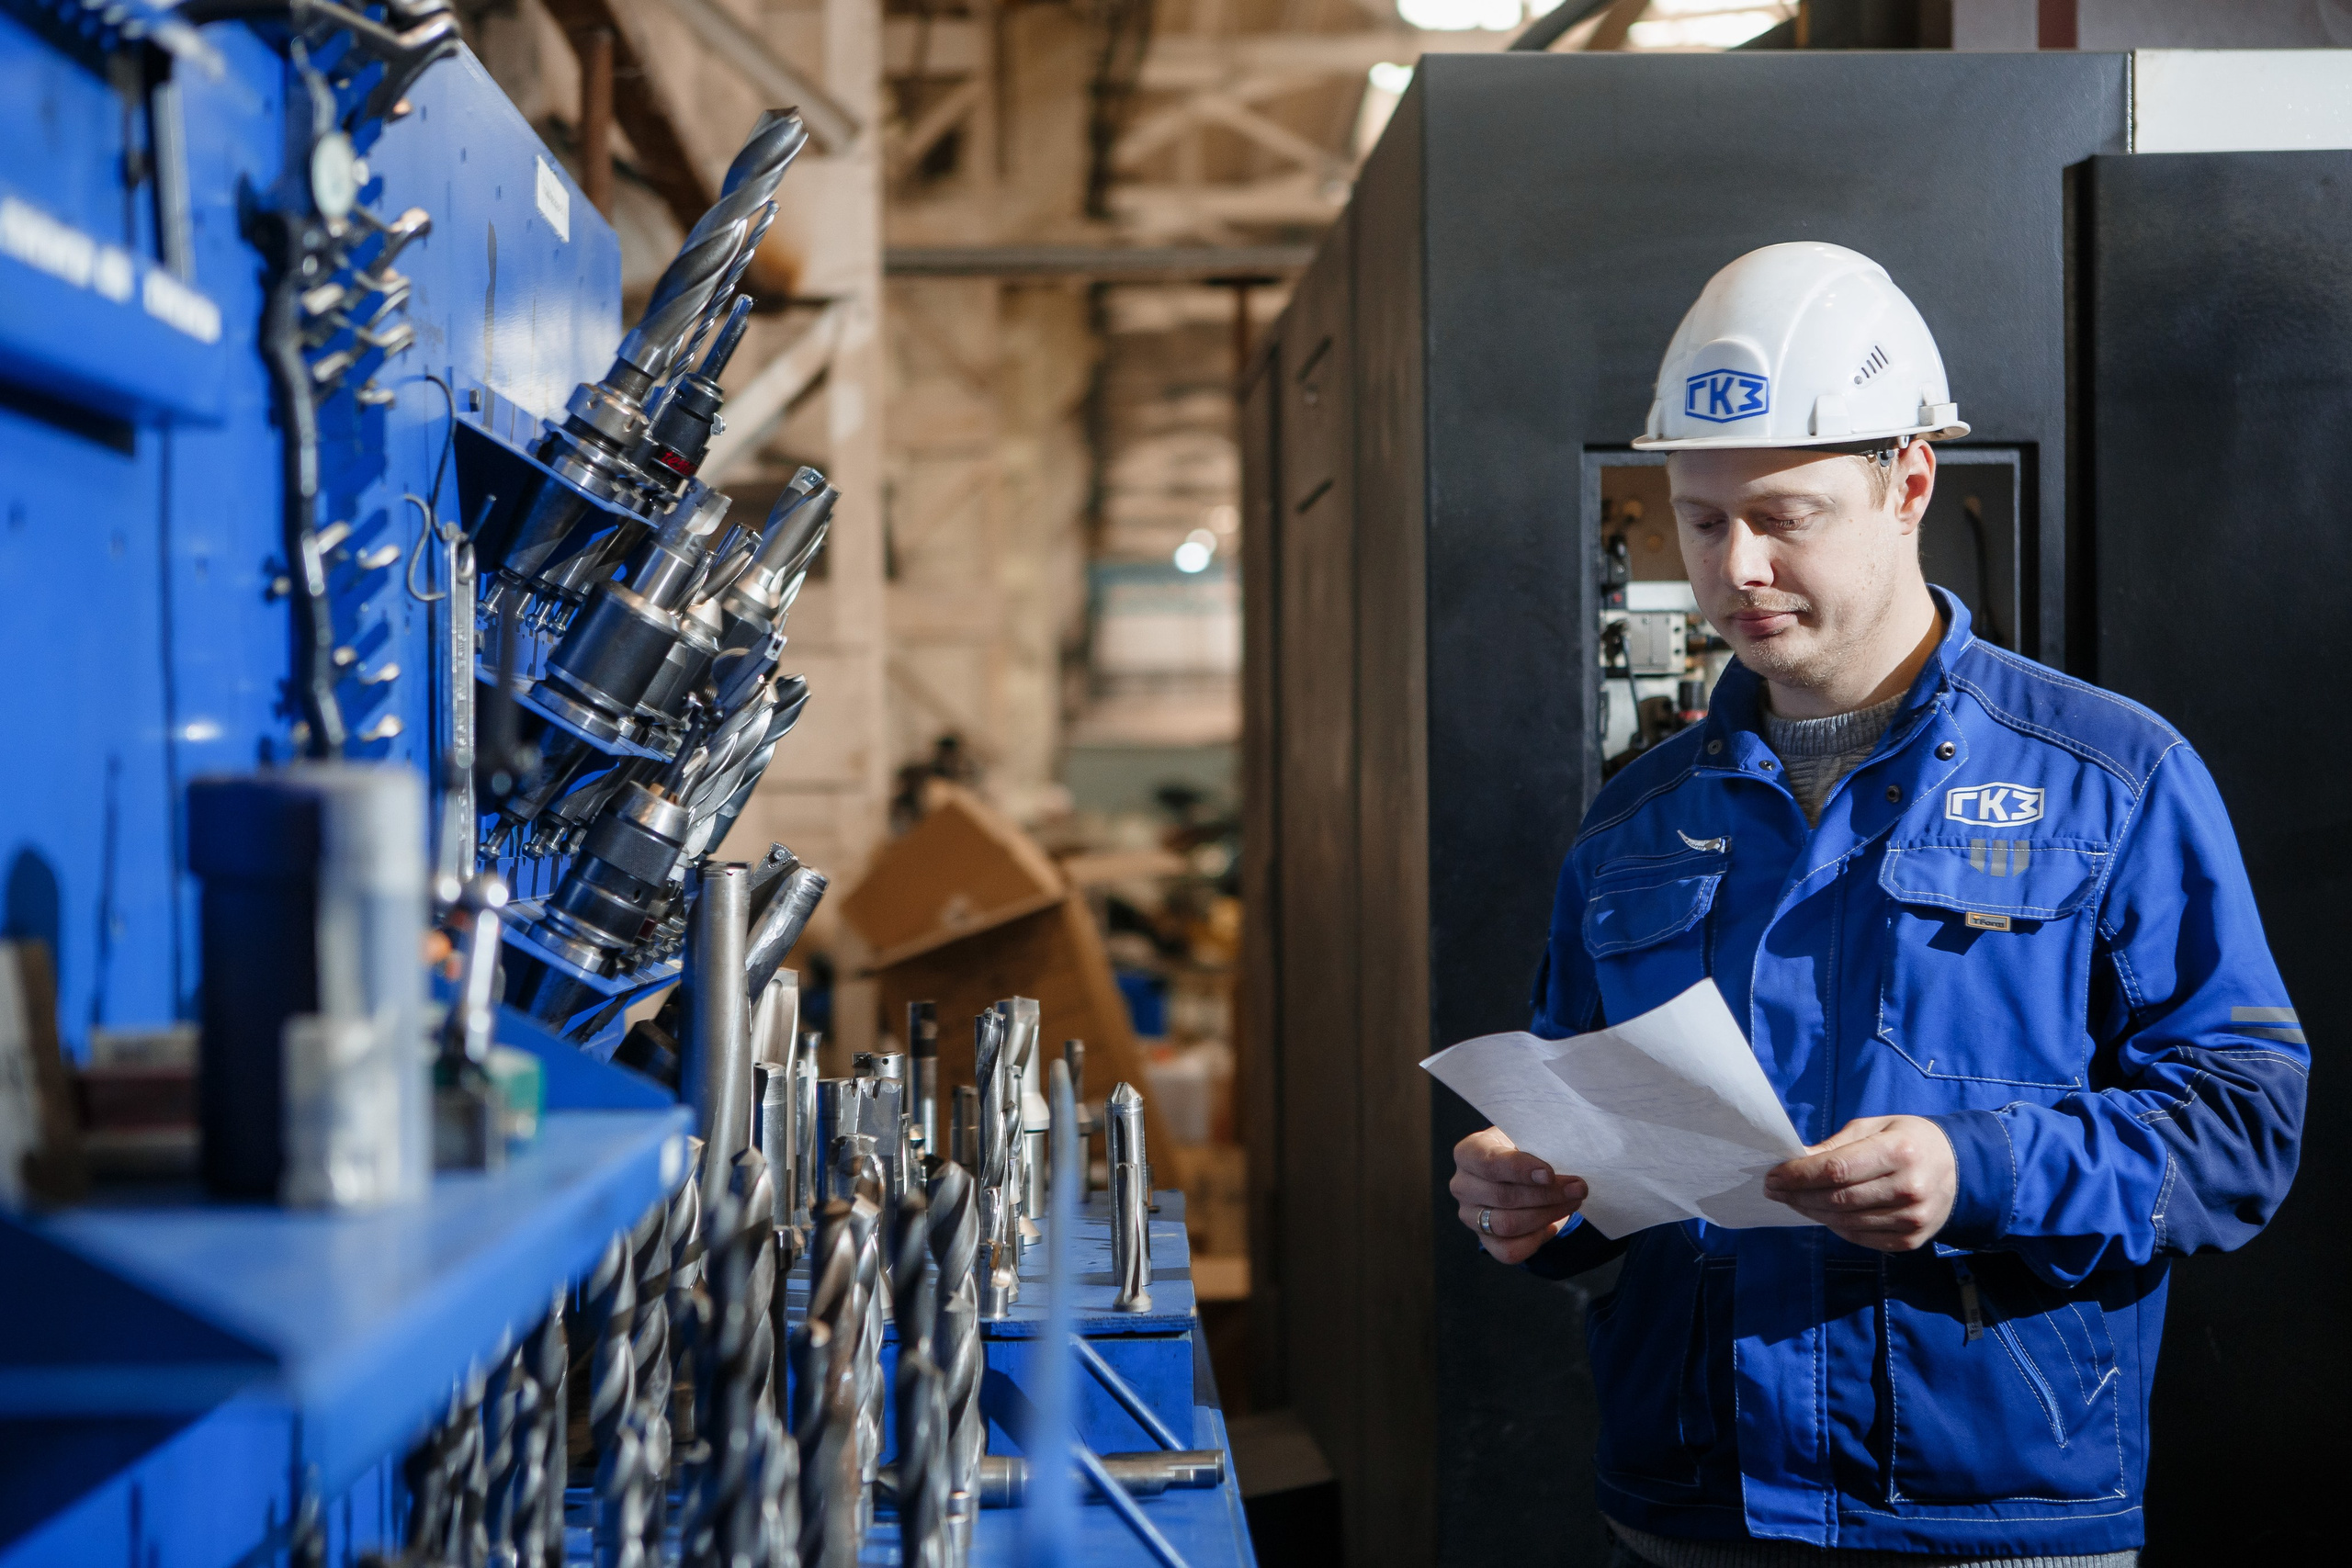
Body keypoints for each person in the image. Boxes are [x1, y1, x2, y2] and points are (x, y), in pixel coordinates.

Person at [1450, 243, 2307, 1565]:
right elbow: (1585, 1129)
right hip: (1694, 1507)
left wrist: (1977, 1172)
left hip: (1993, 1520)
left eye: (1786, 515)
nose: (1737, 567)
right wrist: (1533, 1196)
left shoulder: (2109, 779)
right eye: (1701, 520)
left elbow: (2243, 1124)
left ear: (1908, 483)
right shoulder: (1635, 823)